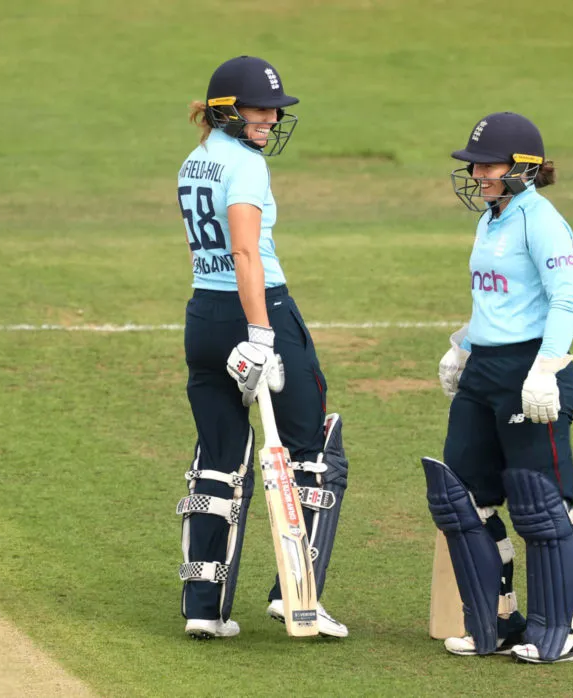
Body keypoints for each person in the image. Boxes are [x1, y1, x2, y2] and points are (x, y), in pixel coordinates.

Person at [174, 55, 349, 640]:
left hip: (203, 315)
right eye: (261, 108)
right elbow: (246, 253)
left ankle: (204, 606)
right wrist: (261, 334)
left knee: (221, 455)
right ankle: (295, 595)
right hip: (258, 309)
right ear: (227, 111)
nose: (272, 118)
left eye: (275, 109)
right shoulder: (244, 165)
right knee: (315, 450)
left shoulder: (193, 162)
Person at [421, 111, 573, 663]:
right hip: (486, 371)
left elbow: (566, 299)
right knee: (463, 500)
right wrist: (464, 347)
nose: (477, 173)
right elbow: (493, 299)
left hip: (531, 370)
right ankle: (495, 622)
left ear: (523, 167)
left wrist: (546, 369)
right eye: (474, 164)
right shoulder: (493, 218)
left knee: (540, 505)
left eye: (488, 164)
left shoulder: (541, 220)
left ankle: (558, 631)